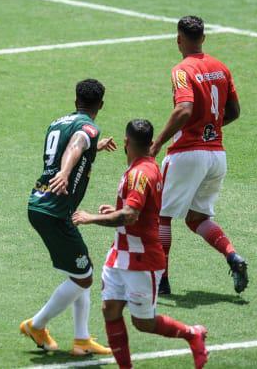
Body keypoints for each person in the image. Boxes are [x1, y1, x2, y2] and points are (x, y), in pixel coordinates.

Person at [73, 120, 209, 369]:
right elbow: (136, 210)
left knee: (143, 322)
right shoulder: (144, 167)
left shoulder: (139, 174)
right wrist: (116, 210)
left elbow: (130, 216)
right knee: (110, 309)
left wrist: (91, 218)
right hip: (119, 255)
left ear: (126, 142)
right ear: (150, 142)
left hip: (142, 260)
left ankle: (192, 334)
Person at [150, 15, 246, 296]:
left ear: (178, 39)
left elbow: (184, 109)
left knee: (160, 215)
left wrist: (157, 143)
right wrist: (210, 127)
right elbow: (234, 112)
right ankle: (232, 256)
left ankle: (161, 280)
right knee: (196, 218)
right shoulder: (221, 68)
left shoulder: (182, 70)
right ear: (203, 38)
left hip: (187, 154)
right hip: (216, 156)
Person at [20, 79, 116, 357]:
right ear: (101, 105)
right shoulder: (88, 128)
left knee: (80, 271)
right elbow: (75, 146)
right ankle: (36, 325)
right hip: (56, 210)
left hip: (40, 203)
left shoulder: (57, 122)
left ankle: (81, 340)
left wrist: (95, 147)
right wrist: (65, 173)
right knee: (84, 278)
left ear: (76, 101)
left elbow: (72, 146)